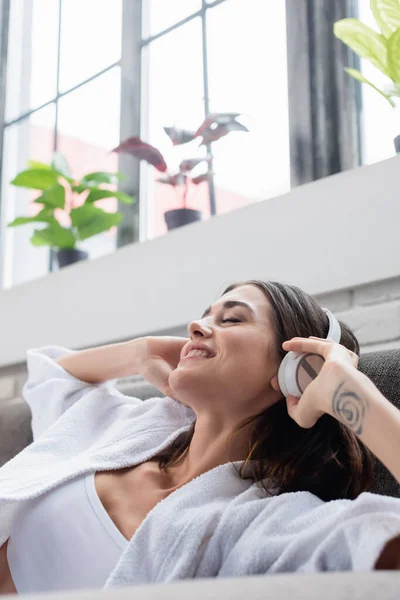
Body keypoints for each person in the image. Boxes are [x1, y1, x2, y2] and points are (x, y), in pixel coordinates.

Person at [0, 279, 400, 595]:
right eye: (204, 316)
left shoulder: (261, 523)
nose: (196, 327)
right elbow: (54, 377)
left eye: (232, 320)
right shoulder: (132, 428)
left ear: (294, 370)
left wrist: (351, 392)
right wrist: (141, 352)